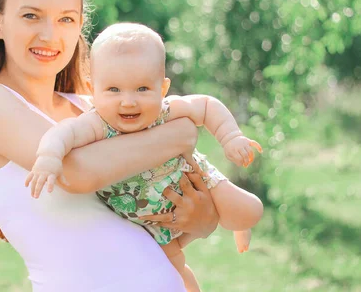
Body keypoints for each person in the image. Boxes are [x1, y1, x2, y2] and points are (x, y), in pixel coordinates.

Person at [0, 0, 222, 292]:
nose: (50, 35)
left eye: (66, 18)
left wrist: (203, 219)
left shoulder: (91, 109)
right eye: (32, 16)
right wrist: (182, 132)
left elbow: (179, 190)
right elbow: (75, 171)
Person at [26, 22, 264, 291]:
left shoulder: (165, 110)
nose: (128, 101)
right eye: (113, 90)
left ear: (162, 89)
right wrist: (48, 157)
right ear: (93, 89)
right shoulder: (97, 124)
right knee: (173, 270)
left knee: (250, 211)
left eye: (142, 89)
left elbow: (207, 105)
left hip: (193, 179)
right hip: (150, 223)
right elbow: (62, 133)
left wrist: (231, 137)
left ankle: (235, 221)